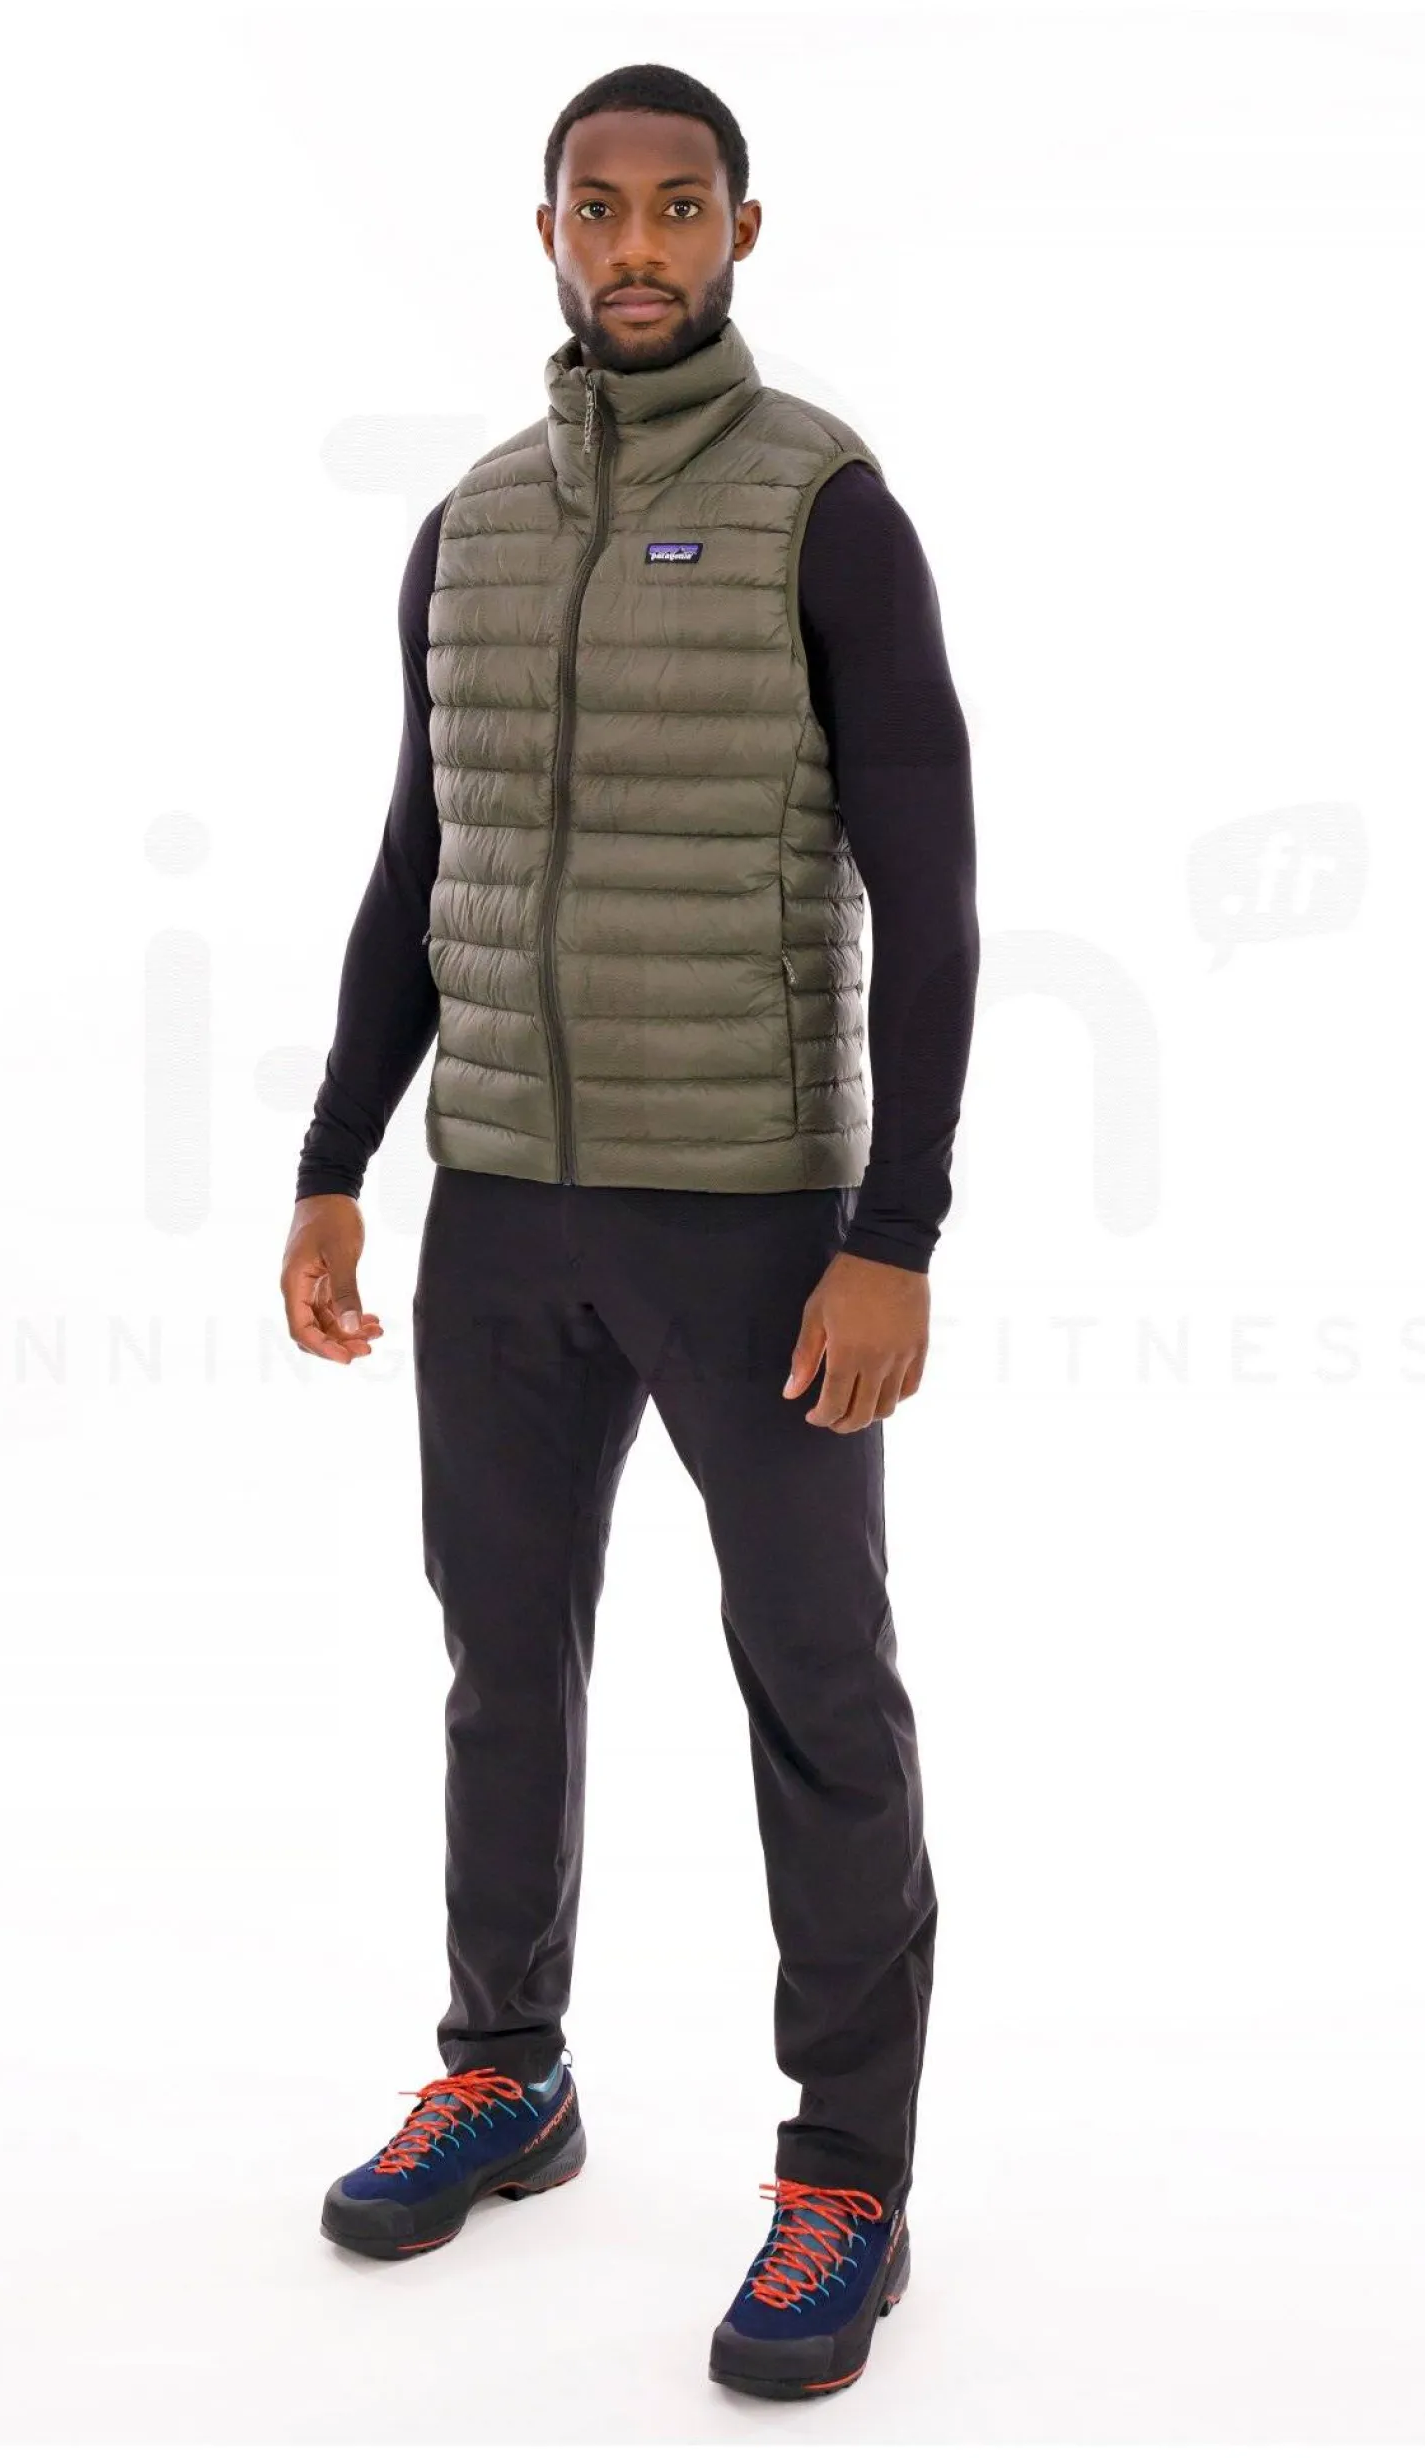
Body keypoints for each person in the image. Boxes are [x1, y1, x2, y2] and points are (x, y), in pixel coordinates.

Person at [280, 60, 979, 2402]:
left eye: (682, 205)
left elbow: (935, 892)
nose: (641, 243)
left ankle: (847, 2174)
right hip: (499, 1207)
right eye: (603, 207)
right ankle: (506, 2070)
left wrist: (896, 1228)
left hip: (758, 1214)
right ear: (549, 232)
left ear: (743, 231)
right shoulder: (469, 524)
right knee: (501, 1659)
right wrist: (333, 1160)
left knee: (815, 1685)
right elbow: (425, 859)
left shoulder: (826, 509)